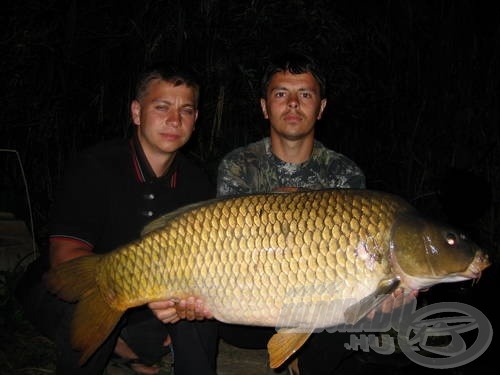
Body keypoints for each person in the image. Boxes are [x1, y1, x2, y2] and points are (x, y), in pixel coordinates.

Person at [216, 51, 417, 375]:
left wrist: (383, 296)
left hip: (319, 312)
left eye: (305, 94)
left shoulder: (344, 172)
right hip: (250, 301)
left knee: (353, 316)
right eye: (281, 94)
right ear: (265, 107)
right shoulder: (238, 165)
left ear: (321, 107)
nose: (293, 104)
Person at [16, 64, 217, 375]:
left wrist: (183, 303)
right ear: (136, 113)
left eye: (186, 110)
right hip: (64, 287)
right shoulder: (95, 167)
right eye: (161, 107)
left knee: (192, 324)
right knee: (83, 310)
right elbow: (65, 258)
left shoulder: (197, 182)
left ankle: (126, 347)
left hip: (145, 299)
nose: (174, 120)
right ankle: (114, 344)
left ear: (195, 120)